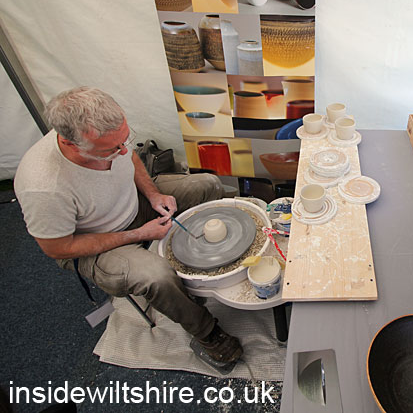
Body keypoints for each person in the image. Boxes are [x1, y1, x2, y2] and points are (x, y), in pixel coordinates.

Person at [14, 87, 242, 365]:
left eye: (125, 139)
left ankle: (207, 263)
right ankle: (207, 333)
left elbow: (130, 157)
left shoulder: (106, 137)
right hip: (93, 242)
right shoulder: (43, 187)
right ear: (71, 144)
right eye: (112, 149)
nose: (123, 150)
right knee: (156, 276)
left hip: (132, 203)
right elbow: (58, 248)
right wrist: (139, 234)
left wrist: (153, 195)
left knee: (207, 184)